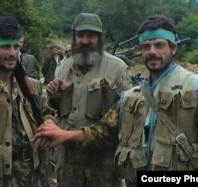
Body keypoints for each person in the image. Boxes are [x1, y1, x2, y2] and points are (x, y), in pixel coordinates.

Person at [113, 14, 198, 187]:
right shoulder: (130, 95)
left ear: (173, 48)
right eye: (146, 46)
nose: (152, 51)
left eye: (159, 45)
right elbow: (105, 130)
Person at [34, 12, 130, 187]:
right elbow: (50, 107)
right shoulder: (62, 68)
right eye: (80, 35)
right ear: (74, 37)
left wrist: (68, 135)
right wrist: (49, 120)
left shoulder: (117, 69)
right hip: (68, 166)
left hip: (102, 168)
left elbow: (121, 124)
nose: (85, 41)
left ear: (100, 38)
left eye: (91, 35)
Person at [0, 16, 56, 187]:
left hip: (37, 175)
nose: (13, 53)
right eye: (5, 47)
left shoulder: (32, 87)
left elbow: (48, 112)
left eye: (16, 46)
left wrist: (49, 125)